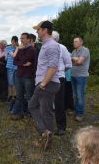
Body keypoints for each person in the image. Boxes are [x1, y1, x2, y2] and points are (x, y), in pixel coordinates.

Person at [28, 20, 60, 150]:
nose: (36, 31)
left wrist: (43, 84)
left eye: (38, 29)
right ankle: (45, 133)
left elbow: (53, 67)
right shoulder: (46, 45)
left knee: (44, 111)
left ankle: (47, 139)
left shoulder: (51, 45)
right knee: (35, 106)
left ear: (45, 30)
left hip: (47, 83)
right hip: (45, 83)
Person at [12, 33, 37, 120]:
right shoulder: (20, 49)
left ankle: (30, 113)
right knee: (19, 96)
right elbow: (14, 61)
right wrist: (23, 63)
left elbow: (23, 59)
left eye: (23, 38)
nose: (21, 40)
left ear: (28, 39)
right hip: (19, 75)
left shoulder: (32, 50)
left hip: (28, 76)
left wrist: (21, 61)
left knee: (29, 96)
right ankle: (20, 113)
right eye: (20, 38)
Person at [52, 31, 72, 136]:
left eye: (53, 38)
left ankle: (61, 127)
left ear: (57, 39)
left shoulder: (62, 48)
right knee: (48, 102)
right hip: (48, 78)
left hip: (59, 78)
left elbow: (69, 64)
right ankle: (48, 125)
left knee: (59, 103)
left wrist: (61, 70)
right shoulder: (45, 48)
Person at [71, 37, 90, 122]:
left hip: (81, 76)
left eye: (76, 41)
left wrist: (75, 59)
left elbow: (79, 62)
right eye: (73, 41)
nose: (74, 43)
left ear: (81, 42)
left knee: (80, 95)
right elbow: (70, 61)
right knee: (75, 95)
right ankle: (76, 111)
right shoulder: (74, 51)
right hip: (73, 75)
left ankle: (80, 114)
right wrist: (75, 59)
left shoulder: (85, 50)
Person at [6, 36, 18, 103]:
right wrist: (17, 49)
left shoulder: (18, 48)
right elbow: (13, 55)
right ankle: (10, 96)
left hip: (16, 67)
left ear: (16, 42)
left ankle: (15, 96)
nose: (13, 43)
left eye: (14, 42)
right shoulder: (8, 48)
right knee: (10, 82)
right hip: (10, 67)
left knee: (15, 83)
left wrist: (17, 48)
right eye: (12, 42)